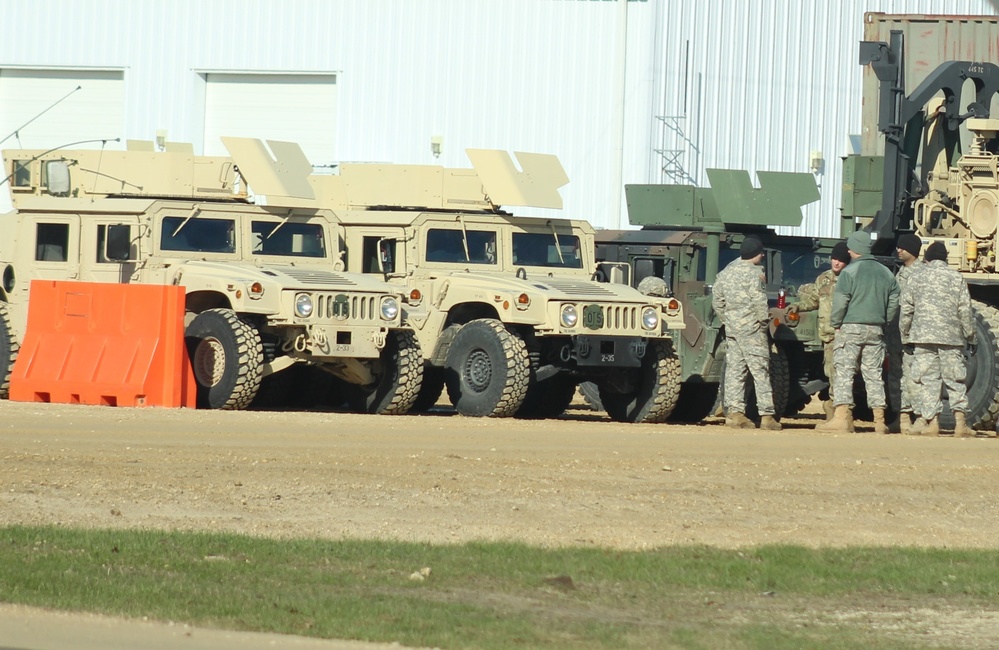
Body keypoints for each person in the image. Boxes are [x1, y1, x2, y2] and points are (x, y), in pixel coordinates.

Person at [820, 230, 899, 434]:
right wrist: (883, 320)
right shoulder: (886, 273)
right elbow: (893, 302)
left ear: (854, 249)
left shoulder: (849, 272)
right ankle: (879, 421)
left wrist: (836, 323)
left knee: (844, 372)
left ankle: (841, 418)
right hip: (876, 329)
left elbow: (840, 302)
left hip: (851, 328)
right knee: (874, 374)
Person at [899, 241, 976, 436]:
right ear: (946, 258)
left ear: (927, 257)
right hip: (950, 338)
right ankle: (961, 424)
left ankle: (932, 423)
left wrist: (905, 336)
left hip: (922, 337)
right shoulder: (956, 277)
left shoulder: (916, 277)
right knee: (955, 380)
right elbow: (965, 311)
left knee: (928, 380)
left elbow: (906, 310)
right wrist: (971, 337)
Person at [712, 236, 780, 430]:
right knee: (760, 371)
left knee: (736, 371)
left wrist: (728, 320)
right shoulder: (754, 274)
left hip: (733, 329)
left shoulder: (726, 272)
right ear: (757, 255)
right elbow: (759, 301)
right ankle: (767, 415)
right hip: (752, 330)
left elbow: (717, 301)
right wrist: (763, 322)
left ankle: (734, 414)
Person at [788, 241, 850, 421]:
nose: (836, 263)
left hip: (845, 334)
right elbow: (814, 300)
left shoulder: (851, 279)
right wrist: (798, 306)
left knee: (842, 374)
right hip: (829, 336)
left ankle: (841, 412)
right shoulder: (823, 279)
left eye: (841, 260)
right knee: (832, 372)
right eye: (834, 259)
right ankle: (836, 412)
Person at [894, 233, 924, 433]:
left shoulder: (922, 273)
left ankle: (920, 417)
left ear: (912, 251)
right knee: (902, 375)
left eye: (902, 247)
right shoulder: (901, 272)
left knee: (918, 376)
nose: (898, 250)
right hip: (901, 330)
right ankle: (904, 417)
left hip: (917, 332)